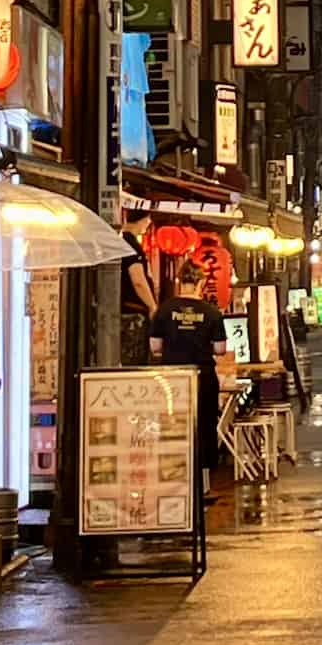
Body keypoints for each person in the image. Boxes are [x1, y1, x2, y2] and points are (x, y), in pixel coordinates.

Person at [150, 262, 227, 495]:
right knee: (204, 425)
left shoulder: (164, 310)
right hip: (202, 376)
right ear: (201, 283)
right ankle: (202, 484)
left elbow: (155, 347)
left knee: (173, 426)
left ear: (179, 281)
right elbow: (221, 349)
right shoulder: (211, 312)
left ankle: (174, 480)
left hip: (172, 378)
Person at [121, 208, 158, 365]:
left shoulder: (122, 241)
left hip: (126, 312)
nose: (149, 223)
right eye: (148, 219)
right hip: (133, 315)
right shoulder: (131, 245)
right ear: (143, 219)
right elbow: (138, 280)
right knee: (134, 362)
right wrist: (152, 306)